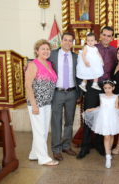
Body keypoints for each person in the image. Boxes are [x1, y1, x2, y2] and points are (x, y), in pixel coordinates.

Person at [77, 26, 117, 159]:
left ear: (112, 38)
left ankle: (100, 145)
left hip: (107, 88)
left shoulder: (114, 51)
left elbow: (116, 68)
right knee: (89, 113)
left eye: (109, 35)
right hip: (93, 85)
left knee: (104, 116)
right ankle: (85, 146)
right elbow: (83, 60)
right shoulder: (92, 46)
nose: (106, 37)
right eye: (104, 35)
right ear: (100, 35)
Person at [82, 80, 119, 168]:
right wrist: (92, 109)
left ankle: (108, 150)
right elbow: (101, 107)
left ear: (113, 88)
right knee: (106, 136)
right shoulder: (101, 96)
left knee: (111, 135)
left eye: (109, 88)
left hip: (112, 118)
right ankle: (108, 156)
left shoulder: (116, 97)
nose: (107, 90)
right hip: (103, 118)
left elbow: (116, 108)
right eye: (105, 88)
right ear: (103, 89)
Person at [25, 39, 58, 166]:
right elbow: (28, 86)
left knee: (42, 130)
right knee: (40, 131)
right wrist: (33, 104)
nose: (46, 51)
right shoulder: (33, 64)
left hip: (47, 103)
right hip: (36, 103)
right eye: (43, 49)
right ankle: (43, 158)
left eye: (48, 49)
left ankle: (34, 154)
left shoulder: (49, 64)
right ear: (37, 51)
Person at [49, 32, 80, 161]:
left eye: (70, 40)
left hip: (72, 93)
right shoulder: (53, 55)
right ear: (61, 41)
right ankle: (56, 149)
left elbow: (80, 75)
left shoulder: (76, 57)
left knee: (69, 121)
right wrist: (29, 66)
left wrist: (80, 93)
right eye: (65, 40)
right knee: (56, 121)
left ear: (72, 43)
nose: (67, 42)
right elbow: (41, 63)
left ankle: (66, 145)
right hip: (57, 92)